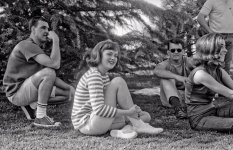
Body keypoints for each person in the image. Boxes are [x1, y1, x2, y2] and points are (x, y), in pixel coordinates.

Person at [71, 40, 163, 139]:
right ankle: (137, 125)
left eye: (115, 55)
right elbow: (99, 109)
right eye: (109, 54)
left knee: (145, 116)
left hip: (98, 121)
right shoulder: (94, 75)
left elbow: (110, 102)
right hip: (88, 124)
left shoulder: (103, 75)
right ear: (99, 55)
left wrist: (133, 111)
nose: (113, 58)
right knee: (118, 81)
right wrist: (128, 112)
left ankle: (122, 131)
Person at [3, 16, 75, 127]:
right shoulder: (27, 45)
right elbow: (54, 65)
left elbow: (51, 79)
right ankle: (40, 117)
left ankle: (32, 106)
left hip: (28, 89)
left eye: (48, 28)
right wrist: (56, 40)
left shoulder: (36, 49)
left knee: (67, 94)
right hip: (16, 93)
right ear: (33, 29)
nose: (47, 31)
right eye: (43, 28)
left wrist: (70, 88)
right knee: (49, 71)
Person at [185, 33, 233, 132]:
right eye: (222, 46)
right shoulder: (200, 74)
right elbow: (230, 94)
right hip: (199, 119)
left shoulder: (219, 70)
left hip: (214, 111)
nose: (226, 50)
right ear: (211, 49)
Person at [154, 39, 195, 119]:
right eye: (173, 50)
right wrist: (178, 77)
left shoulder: (188, 61)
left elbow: (202, 68)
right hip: (170, 100)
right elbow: (157, 71)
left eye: (179, 50)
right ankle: (178, 109)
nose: (176, 52)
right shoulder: (164, 64)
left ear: (183, 52)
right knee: (166, 78)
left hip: (188, 98)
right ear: (168, 53)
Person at [197, 0, 233, 73]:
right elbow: (200, 18)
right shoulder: (211, 1)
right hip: (217, 37)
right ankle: (211, 82)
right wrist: (211, 33)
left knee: (227, 63)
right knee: (214, 62)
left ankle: (225, 83)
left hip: (231, 36)